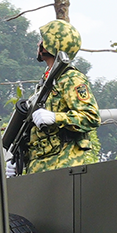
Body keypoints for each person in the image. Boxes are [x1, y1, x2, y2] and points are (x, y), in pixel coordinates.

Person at [24, 20, 101, 173]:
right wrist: (20, 158)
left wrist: (55, 117)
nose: (39, 43)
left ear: (51, 45)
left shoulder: (71, 78)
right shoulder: (46, 81)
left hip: (63, 166)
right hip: (39, 167)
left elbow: (91, 117)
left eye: (44, 40)